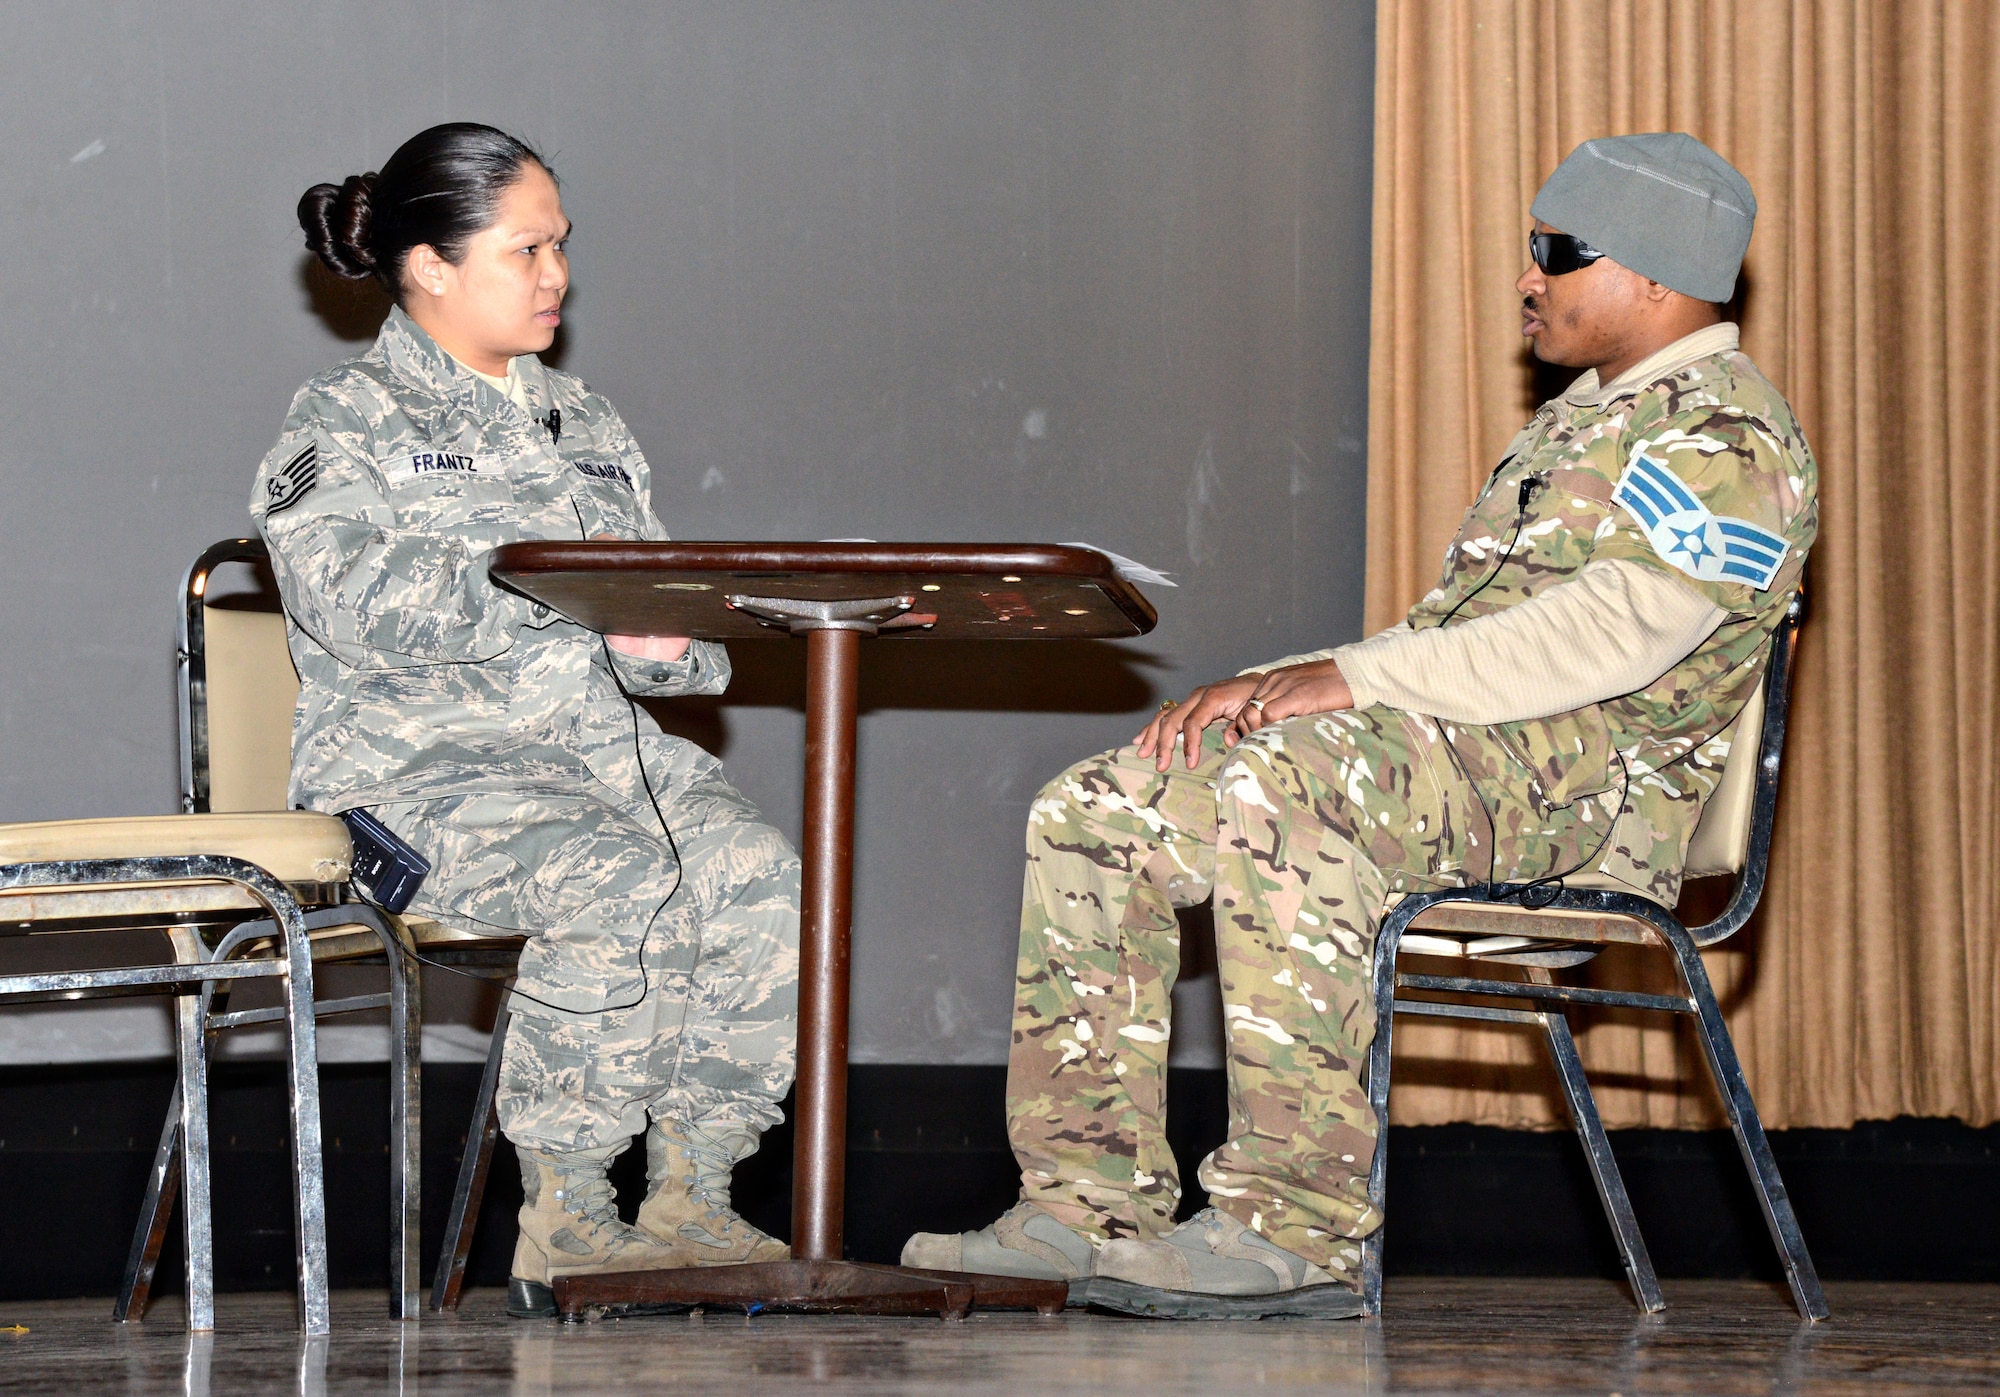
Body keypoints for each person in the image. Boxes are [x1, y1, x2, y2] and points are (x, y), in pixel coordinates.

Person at [903, 132, 1818, 1318]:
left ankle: (1292, 1225)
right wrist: (1272, 683)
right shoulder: (1579, 422)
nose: (1526, 276)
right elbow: (1449, 641)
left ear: (1651, 273)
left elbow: (1607, 640)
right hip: (1465, 769)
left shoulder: (1727, 438)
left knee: (1293, 788)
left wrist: (1339, 680)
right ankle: (1086, 1204)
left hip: (1586, 802)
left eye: (1553, 251)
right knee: (1104, 805)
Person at [252, 123, 802, 1319]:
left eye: (562, 246)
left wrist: (663, 641)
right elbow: (347, 607)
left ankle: (694, 1196)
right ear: (431, 266)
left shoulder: (589, 426)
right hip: (420, 778)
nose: (555, 275)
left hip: (602, 756)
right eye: (525, 249)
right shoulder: (346, 414)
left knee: (756, 868)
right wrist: (549, 589)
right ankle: (569, 1207)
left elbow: (683, 648)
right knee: (609, 876)